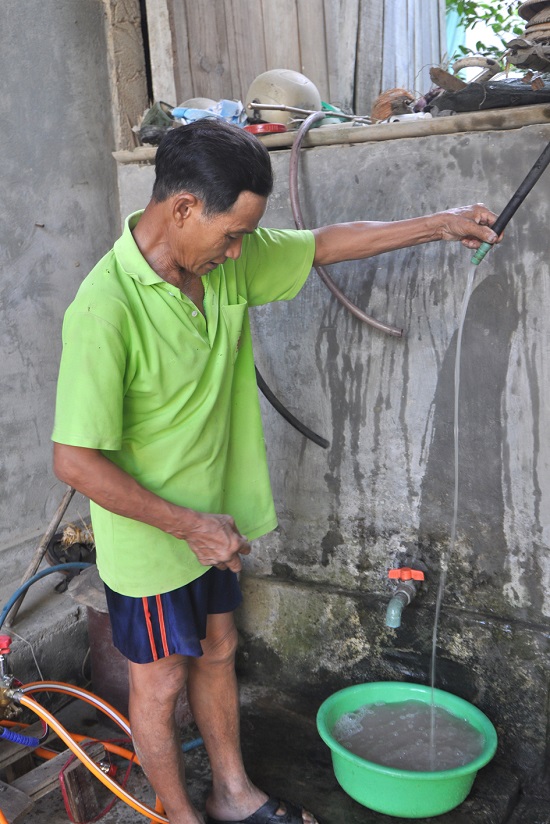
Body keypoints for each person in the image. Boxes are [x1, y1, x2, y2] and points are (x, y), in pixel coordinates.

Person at [52, 118, 499, 824]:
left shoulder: (222, 262)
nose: (240, 251)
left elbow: (326, 244)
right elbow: (75, 461)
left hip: (215, 522)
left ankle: (232, 794)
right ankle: (180, 816)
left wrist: (440, 224)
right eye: (232, 234)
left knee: (220, 651)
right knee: (160, 682)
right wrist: (187, 526)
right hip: (152, 537)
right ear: (183, 208)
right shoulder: (105, 309)